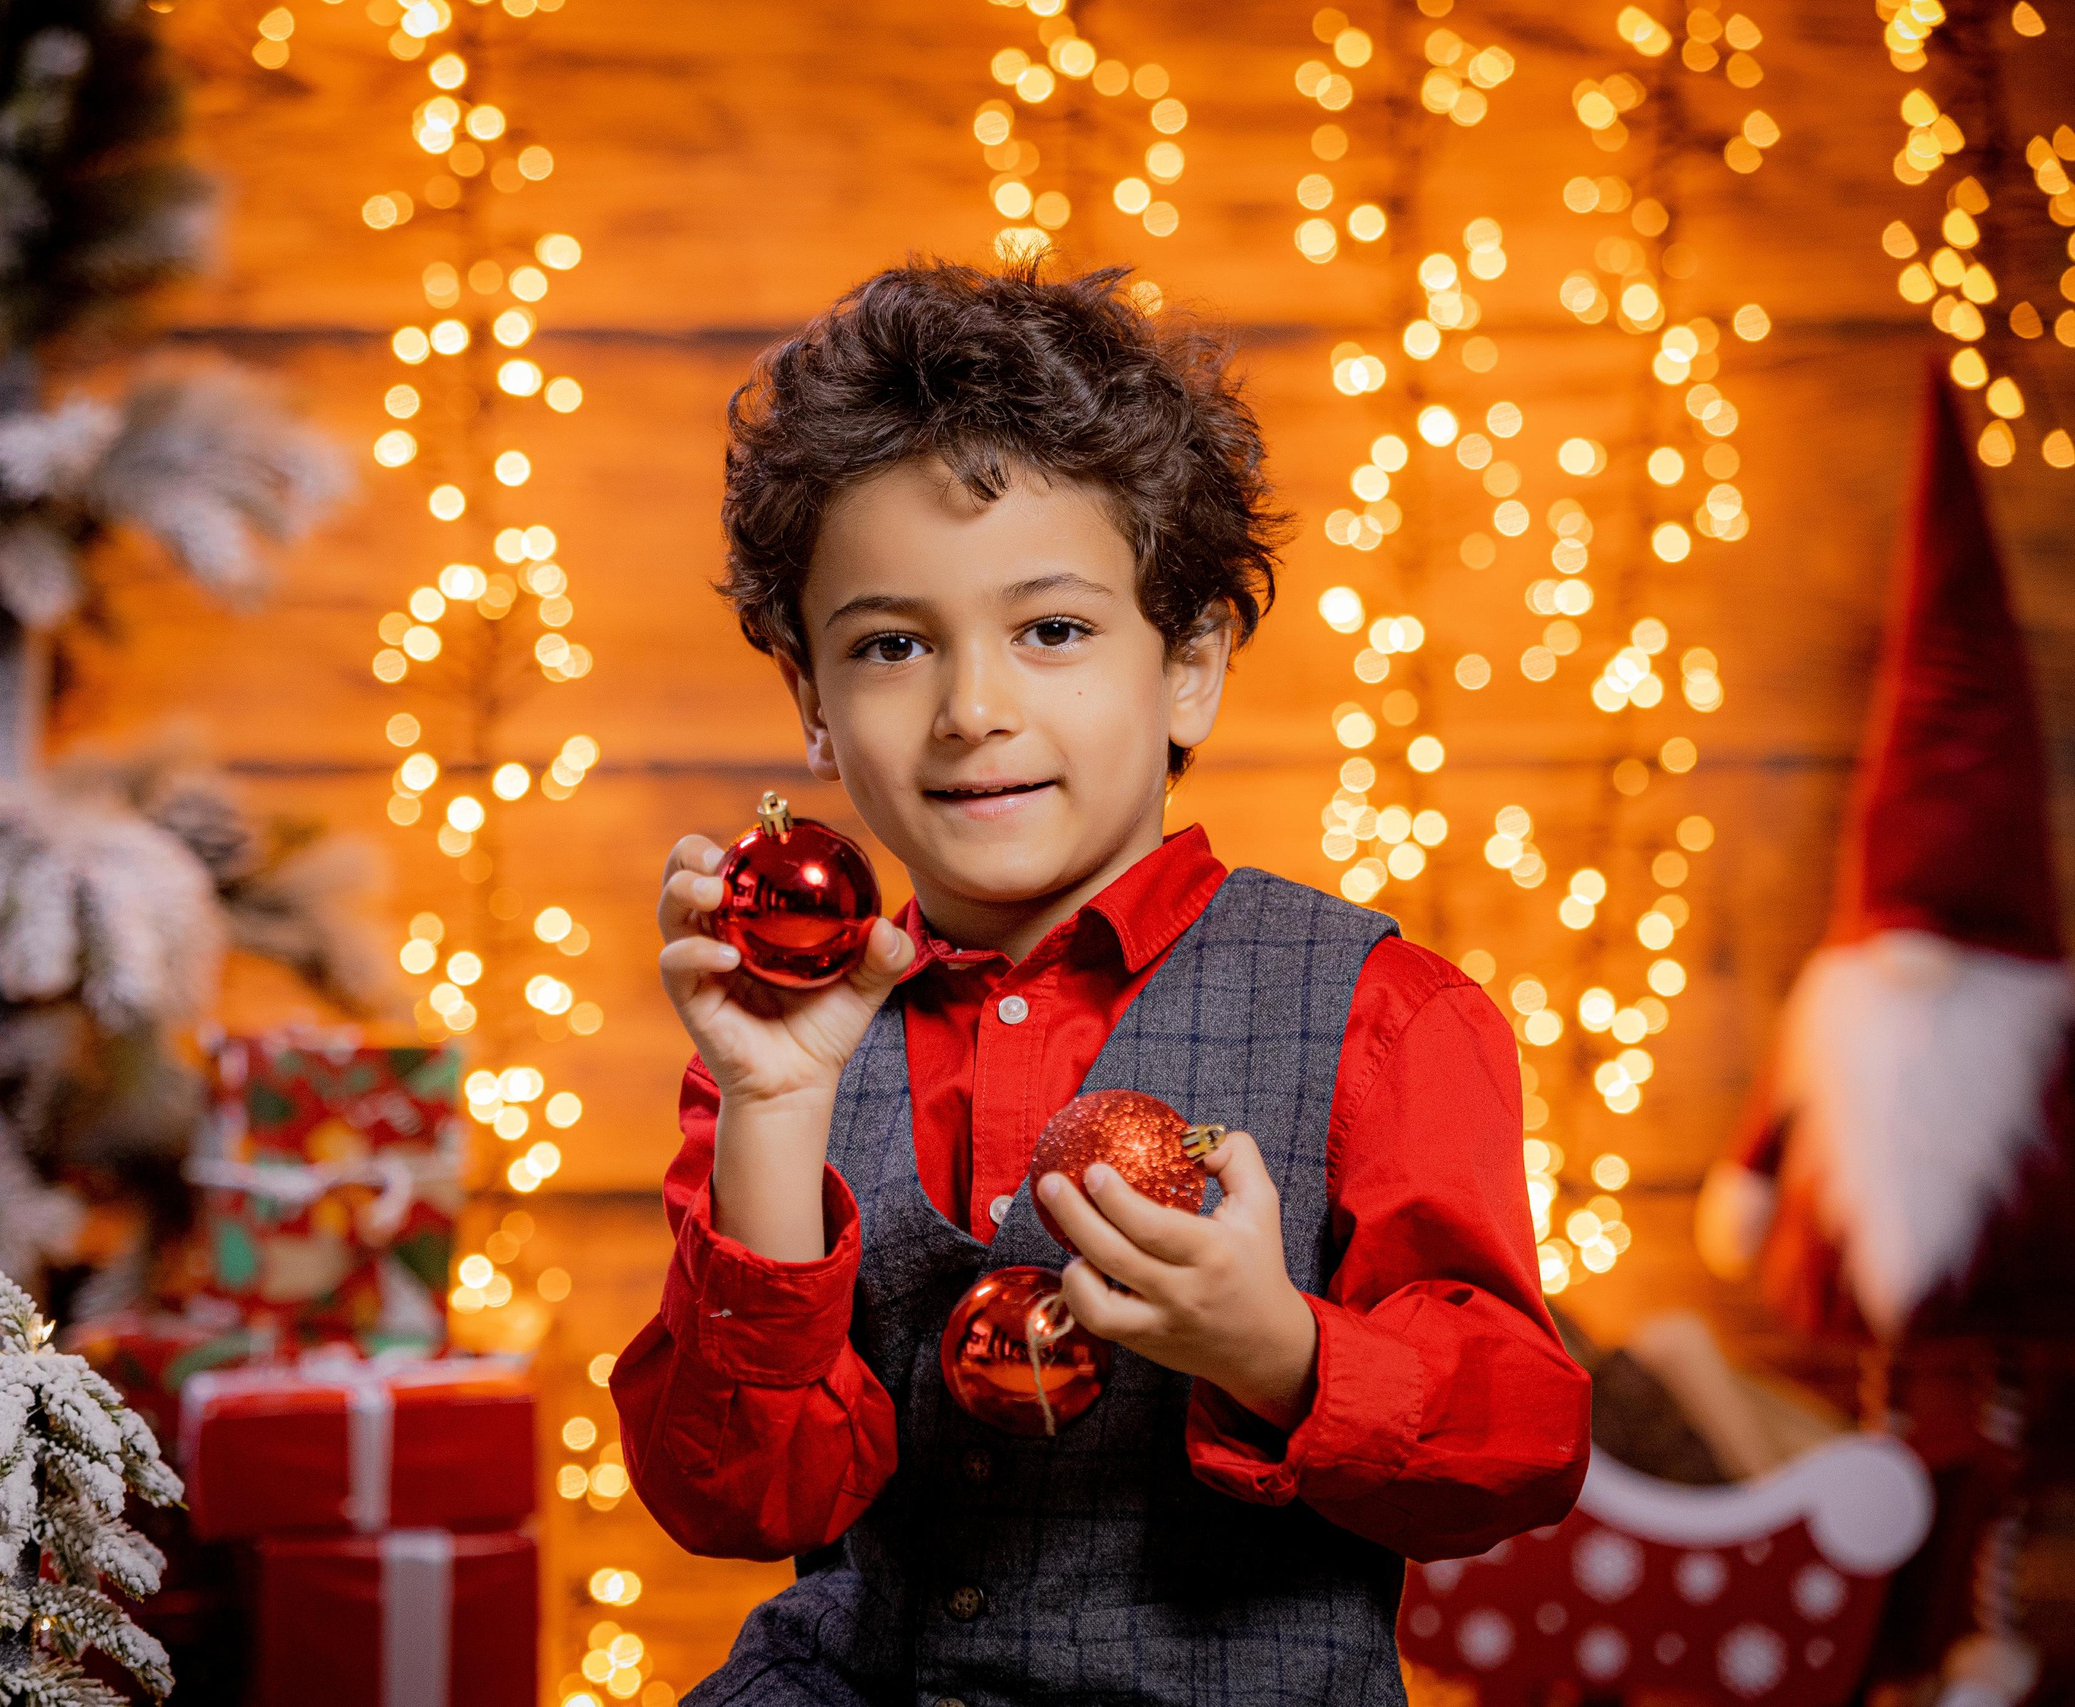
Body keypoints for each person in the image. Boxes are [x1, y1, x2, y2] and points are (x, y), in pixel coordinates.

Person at [612, 258, 1590, 1706]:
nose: (973, 709)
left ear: (1188, 665)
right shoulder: (778, 1040)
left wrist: (1275, 1347)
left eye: (1052, 630)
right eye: (891, 645)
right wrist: (771, 1109)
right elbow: (745, 1506)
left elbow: (1517, 1447)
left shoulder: (1381, 1015)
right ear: (812, 704)